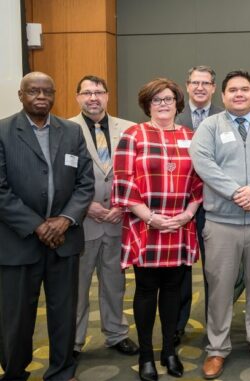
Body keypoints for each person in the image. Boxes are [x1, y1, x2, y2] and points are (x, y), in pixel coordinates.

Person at [189, 70, 250, 379]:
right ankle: (217, 349)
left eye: (245, 89)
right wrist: (235, 192)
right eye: (233, 90)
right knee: (219, 289)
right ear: (224, 96)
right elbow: (202, 162)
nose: (239, 94)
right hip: (221, 223)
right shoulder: (209, 126)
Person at [0, 72, 94, 381]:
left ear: (54, 95)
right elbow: (0, 190)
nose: (41, 96)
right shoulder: (2, 132)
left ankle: (62, 371)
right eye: (33, 91)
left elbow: (85, 184)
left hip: (64, 240)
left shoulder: (72, 132)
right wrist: (38, 226)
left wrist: (65, 220)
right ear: (21, 95)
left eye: (47, 91)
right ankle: (14, 371)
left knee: (63, 312)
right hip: (18, 241)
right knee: (16, 316)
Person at [112, 78, 203, 381]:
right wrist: (150, 217)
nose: (163, 104)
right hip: (145, 227)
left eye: (168, 99)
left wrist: (189, 213)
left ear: (178, 103)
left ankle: (169, 350)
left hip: (180, 226)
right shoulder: (133, 135)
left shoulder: (192, 136)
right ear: (147, 104)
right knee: (147, 291)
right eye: (156, 100)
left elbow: (199, 182)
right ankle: (146, 354)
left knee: (174, 291)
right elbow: (123, 183)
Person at [69, 75, 138, 358]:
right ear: (78, 97)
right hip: (80, 222)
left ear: (108, 95)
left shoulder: (130, 129)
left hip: (117, 220)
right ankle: (72, 341)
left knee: (115, 283)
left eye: (98, 92)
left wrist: (124, 205)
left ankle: (116, 333)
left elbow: (137, 172)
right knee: (77, 286)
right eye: (87, 92)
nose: (93, 98)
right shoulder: (65, 129)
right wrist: (86, 206)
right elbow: (60, 178)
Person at [174, 65, 224, 346]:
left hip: (213, 204)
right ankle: (178, 325)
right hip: (179, 207)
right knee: (180, 270)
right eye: (195, 82)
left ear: (214, 88)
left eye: (206, 83)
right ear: (187, 86)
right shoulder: (173, 117)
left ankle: (215, 329)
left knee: (214, 270)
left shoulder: (225, 117)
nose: (201, 87)